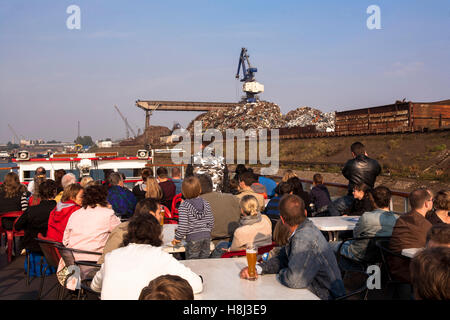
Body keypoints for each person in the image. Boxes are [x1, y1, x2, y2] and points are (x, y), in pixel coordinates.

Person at [239, 194, 345, 300]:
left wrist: (281, 273)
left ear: (282, 220)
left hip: (326, 295)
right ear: (305, 213)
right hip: (317, 290)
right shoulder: (304, 229)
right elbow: (282, 258)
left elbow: (295, 281)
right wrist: (258, 268)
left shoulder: (303, 238)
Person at [90, 214, 203, 299]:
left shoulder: (111, 256)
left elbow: (94, 286)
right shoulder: (159, 256)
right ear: (157, 234)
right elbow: (197, 284)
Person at [60, 184, 121, 290]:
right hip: (95, 262)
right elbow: (121, 232)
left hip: (72, 263)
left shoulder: (75, 214)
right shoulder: (107, 214)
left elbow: (65, 240)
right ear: (104, 198)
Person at [336, 186, 399, 264]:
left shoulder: (366, 217)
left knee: (331, 245)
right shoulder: (397, 219)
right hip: (383, 255)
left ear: (372, 200)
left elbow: (355, 235)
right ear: (389, 200)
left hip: (360, 254)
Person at [98, 198, 163, 264]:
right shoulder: (124, 230)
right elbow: (105, 261)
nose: (161, 216)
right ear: (151, 214)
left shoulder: (150, 230)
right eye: (159, 213)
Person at [388, 188, 433, 283]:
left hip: (395, 263)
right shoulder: (425, 225)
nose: (432, 202)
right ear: (426, 203)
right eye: (431, 200)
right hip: (409, 268)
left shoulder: (402, 218)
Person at [15, 179, 57, 277]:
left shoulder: (31, 210)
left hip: (33, 245)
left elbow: (17, 226)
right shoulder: (59, 209)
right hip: (53, 247)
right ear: (54, 192)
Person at [172, 176, 214, 260]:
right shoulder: (206, 203)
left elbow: (183, 226)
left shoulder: (184, 206)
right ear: (200, 190)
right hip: (206, 237)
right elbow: (211, 222)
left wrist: (177, 238)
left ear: (183, 192)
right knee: (204, 262)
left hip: (193, 238)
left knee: (193, 263)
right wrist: (206, 232)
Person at [334, 142, 381, 216]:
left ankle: (338, 225)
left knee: (333, 206)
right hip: (370, 196)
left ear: (353, 153)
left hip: (353, 196)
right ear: (365, 151)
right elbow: (377, 172)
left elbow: (345, 174)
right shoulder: (375, 163)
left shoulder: (350, 163)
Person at [197, 174, 240, 245]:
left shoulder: (195, 204)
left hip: (210, 245)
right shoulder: (233, 198)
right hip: (234, 243)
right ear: (211, 185)